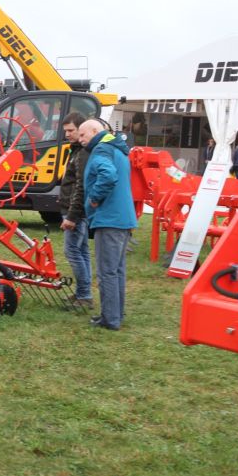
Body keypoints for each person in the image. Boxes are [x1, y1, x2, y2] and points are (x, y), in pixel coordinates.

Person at [79, 119, 137, 331]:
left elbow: (108, 175)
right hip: (123, 218)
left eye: (83, 135)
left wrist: (94, 198)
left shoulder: (101, 150)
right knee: (117, 270)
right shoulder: (117, 149)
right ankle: (115, 314)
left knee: (107, 272)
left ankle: (110, 319)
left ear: (95, 131)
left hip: (109, 218)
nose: (81, 140)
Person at [58, 111, 92, 310]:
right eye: (66, 131)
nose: (68, 134)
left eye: (71, 130)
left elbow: (81, 187)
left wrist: (71, 216)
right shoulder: (77, 151)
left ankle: (85, 295)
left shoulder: (82, 154)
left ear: (82, 129)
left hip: (75, 211)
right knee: (82, 251)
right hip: (74, 209)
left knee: (71, 251)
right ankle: (82, 292)